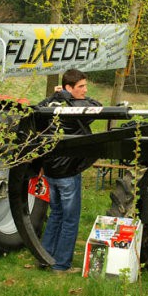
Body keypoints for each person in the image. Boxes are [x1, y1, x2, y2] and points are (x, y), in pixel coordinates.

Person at [38, 69, 102, 273]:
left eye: (85, 85)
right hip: (68, 172)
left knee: (56, 214)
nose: (85, 90)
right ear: (69, 88)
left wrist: (56, 95)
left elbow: (38, 108)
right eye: (81, 87)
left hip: (51, 170)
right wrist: (69, 97)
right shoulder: (76, 108)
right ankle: (61, 265)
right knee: (70, 219)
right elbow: (98, 107)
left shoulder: (50, 104)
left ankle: (44, 258)